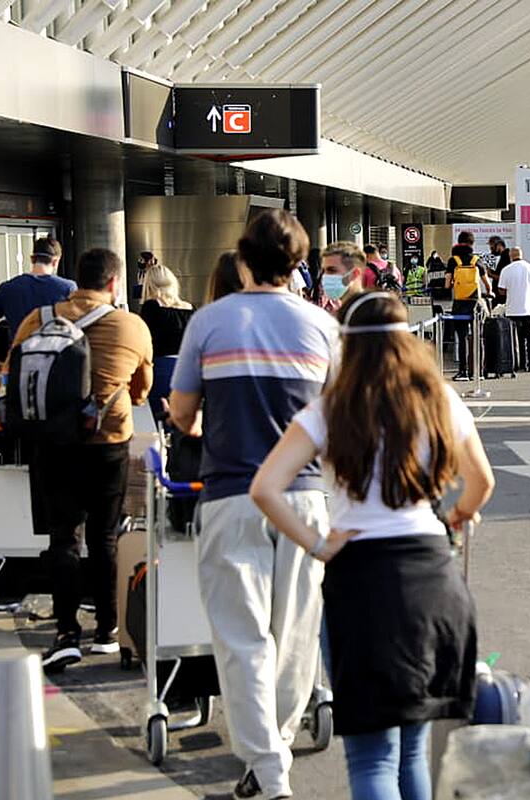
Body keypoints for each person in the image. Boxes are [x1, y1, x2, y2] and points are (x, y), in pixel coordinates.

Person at [250, 291, 495, 800]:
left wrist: (318, 544)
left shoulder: (330, 409)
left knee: (372, 758)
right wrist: (456, 515)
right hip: (432, 574)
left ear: (348, 347)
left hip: (361, 578)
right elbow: (482, 482)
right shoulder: (440, 400)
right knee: (413, 750)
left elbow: (265, 488)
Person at [169, 209, 337, 800]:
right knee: (294, 634)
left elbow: (182, 412)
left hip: (231, 495)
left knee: (242, 638)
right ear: (299, 262)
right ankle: (273, 756)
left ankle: (268, 770)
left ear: (243, 258)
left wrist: (199, 424)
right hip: (306, 498)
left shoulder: (210, 323)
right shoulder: (322, 328)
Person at [9, 249, 153, 673]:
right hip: (108, 440)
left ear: (76, 278)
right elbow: (143, 390)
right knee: (105, 535)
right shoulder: (131, 325)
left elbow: (11, 374)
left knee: (62, 538)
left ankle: (66, 632)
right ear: (113, 283)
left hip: (52, 443)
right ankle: (107, 629)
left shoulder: (39, 318)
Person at [0, 236, 75, 366]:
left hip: (20, 364)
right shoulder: (68, 288)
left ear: (32, 259)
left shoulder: (7, 288)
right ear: (55, 261)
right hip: (56, 365)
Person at [138, 264, 194, 420]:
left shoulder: (151, 307)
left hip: (161, 370)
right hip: (188, 370)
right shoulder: (189, 308)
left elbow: (144, 341)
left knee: (160, 419)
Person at [445, 231, 489, 382]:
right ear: (472, 243)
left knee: (462, 338)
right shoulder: (477, 260)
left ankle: (463, 372)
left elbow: (447, 284)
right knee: (478, 337)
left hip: (459, 303)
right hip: (475, 304)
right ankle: (479, 371)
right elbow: (487, 284)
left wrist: (452, 285)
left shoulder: (453, 260)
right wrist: (489, 293)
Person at [496, 247, 530, 373]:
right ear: (521, 255)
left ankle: (519, 363)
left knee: (516, 338)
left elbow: (501, 290)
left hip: (512, 309)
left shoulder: (506, 270)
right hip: (529, 309)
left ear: (511, 256)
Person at [315, 241, 366, 316]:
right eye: (323, 271)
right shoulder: (335, 313)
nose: (325, 276)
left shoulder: (373, 312)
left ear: (355, 274)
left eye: (332, 270)